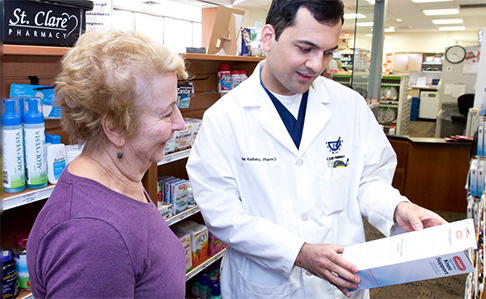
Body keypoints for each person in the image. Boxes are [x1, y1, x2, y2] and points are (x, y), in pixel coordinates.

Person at [186, 0, 447, 298]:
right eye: (305, 48)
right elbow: (222, 213)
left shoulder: (349, 105)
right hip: (266, 285)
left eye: (327, 52)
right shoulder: (225, 118)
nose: (317, 65)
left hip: (341, 281)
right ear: (269, 37)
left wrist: (397, 208)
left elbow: (368, 180)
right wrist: (299, 252)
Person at [27, 30, 188, 298]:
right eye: (166, 112)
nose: (180, 123)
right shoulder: (93, 235)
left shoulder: (122, 177)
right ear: (115, 128)